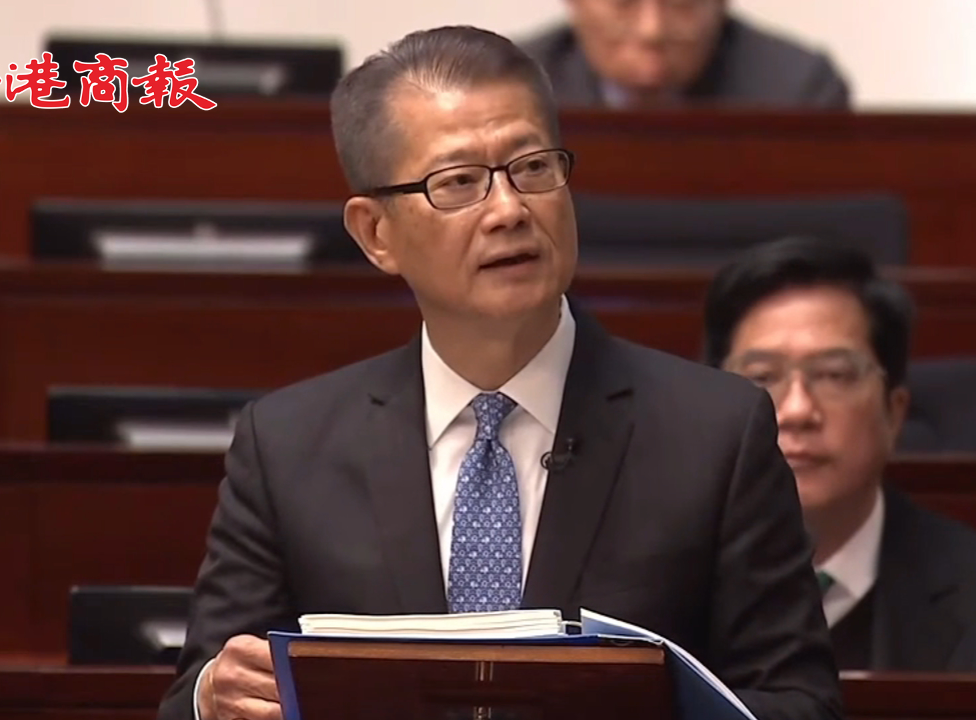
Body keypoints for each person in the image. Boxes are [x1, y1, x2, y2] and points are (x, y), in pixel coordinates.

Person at [157, 25, 842, 720]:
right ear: (375, 233)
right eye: (459, 183)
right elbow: (194, 698)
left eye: (533, 168)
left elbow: (801, 704)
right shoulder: (286, 446)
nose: (510, 210)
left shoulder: (716, 433)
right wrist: (215, 697)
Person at [702, 236, 976, 673]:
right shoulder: (654, 592)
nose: (797, 411)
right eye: (762, 376)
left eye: (834, 375)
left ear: (895, 411)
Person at [521, 0, 849, 109]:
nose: (652, 30)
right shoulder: (514, 87)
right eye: (624, 3)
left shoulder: (800, 93)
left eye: (681, 4)